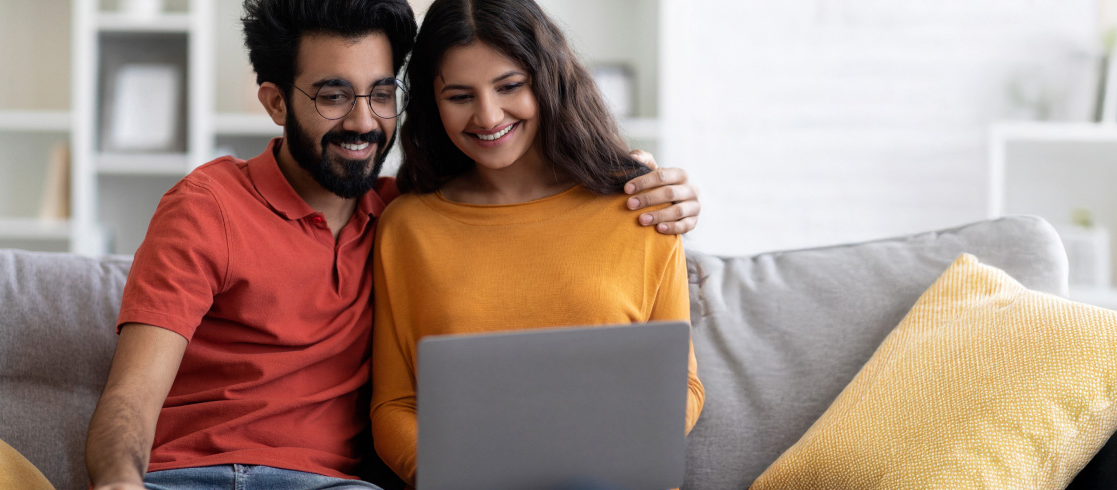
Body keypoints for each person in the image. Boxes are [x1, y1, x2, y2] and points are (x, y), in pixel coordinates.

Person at [83, 1, 702, 489]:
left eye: (381, 94)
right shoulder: (218, 209)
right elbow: (130, 399)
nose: (361, 121)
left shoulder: (391, 208)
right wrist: (117, 483)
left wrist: (633, 175)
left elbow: (677, 382)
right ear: (274, 101)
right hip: (190, 478)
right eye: (331, 95)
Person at [369, 0, 705, 486]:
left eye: (509, 86)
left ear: (547, 79)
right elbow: (394, 407)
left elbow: (683, 386)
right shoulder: (407, 228)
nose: (488, 116)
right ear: (431, 103)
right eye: (460, 96)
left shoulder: (640, 207)